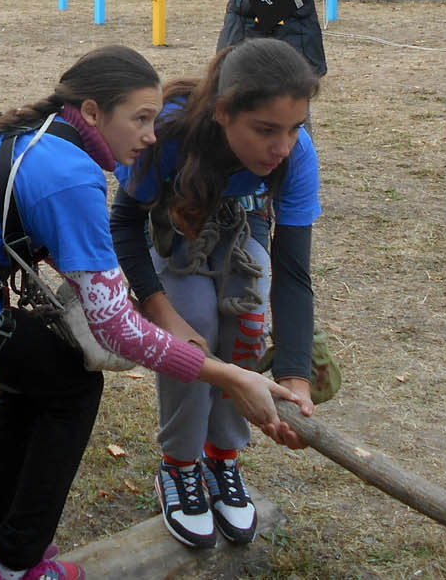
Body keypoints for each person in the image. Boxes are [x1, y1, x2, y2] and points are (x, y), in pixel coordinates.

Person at [0, 46, 299, 580]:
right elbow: (117, 330)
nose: (152, 136)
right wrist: (230, 376)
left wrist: (130, 304)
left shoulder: (45, 139)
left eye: (155, 120)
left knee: (34, 382)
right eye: (140, 119)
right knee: (72, 389)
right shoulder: (71, 173)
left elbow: (76, 263)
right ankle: (18, 564)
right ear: (92, 112)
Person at [111, 39, 320, 550]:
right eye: (266, 130)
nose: (283, 147)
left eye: (295, 128)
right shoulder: (167, 136)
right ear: (223, 113)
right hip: (174, 226)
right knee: (195, 329)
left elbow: (292, 270)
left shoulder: (296, 156)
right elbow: (125, 224)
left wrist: (295, 379)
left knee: (246, 326)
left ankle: (222, 458)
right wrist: (160, 311)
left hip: (239, 226)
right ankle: (180, 464)